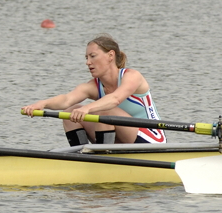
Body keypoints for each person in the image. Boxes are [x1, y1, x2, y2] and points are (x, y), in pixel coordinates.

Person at [20, 34, 166, 146]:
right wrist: (42, 104)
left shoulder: (132, 76)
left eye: (93, 56)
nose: (88, 62)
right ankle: (81, 159)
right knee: (70, 112)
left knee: (104, 112)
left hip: (151, 139)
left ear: (110, 55)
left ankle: (103, 161)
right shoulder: (93, 86)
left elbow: (115, 99)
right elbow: (66, 100)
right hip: (121, 140)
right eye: (86, 57)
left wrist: (88, 108)